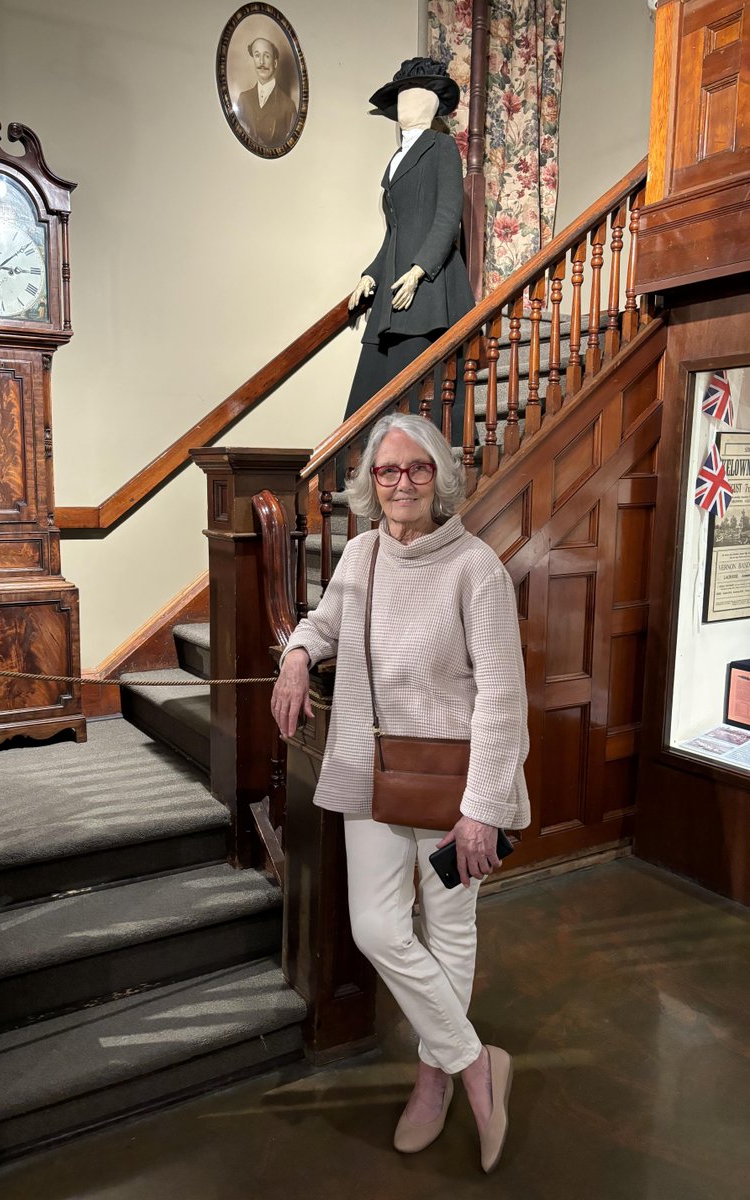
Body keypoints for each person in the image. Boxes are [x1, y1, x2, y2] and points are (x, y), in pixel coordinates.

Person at [271, 412, 530, 1173]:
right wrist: (294, 658)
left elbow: (503, 700)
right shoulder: (361, 557)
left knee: (449, 933)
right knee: (377, 927)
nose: (403, 483)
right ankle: (476, 1063)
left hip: (457, 790)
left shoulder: (475, 567)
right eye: (388, 471)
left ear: (440, 477)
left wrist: (483, 807)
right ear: (371, 483)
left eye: (418, 469)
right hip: (370, 772)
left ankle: (432, 1077)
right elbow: (321, 626)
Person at [345, 59, 474, 445]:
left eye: (411, 94)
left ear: (431, 102)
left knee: (416, 399)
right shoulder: (395, 160)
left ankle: (425, 468)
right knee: (368, 393)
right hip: (393, 288)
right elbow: (394, 233)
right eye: (399, 96)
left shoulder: (442, 147)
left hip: (428, 290)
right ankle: (349, 469)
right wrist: (371, 274)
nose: (403, 103)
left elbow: (448, 217)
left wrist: (420, 271)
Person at [235, 37, 297, 148]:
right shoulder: (243, 99)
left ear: (275, 63)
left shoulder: (288, 105)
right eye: (257, 55)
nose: (261, 62)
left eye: (267, 56)